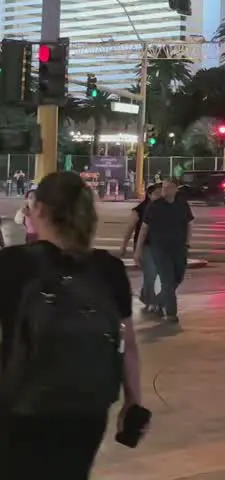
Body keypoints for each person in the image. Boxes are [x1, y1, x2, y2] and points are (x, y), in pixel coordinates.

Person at [0, 172, 143, 478]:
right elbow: (127, 343)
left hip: (21, 407)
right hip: (88, 408)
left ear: (38, 209)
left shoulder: (12, 263)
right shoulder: (108, 268)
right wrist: (134, 403)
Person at [135, 178, 194, 323]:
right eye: (163, 188)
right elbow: (144, 228)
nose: (165, 191)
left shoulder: (182, 205)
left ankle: (159, 301)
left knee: (177, 277)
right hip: (160, 249)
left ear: (175, 189)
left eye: (168, 188)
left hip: (179, 248)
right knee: (167, 280)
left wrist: (187, 243)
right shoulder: (154, 206)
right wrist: (138, 250)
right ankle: (171, 313)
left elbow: (189, 224)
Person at [122, 184, 163, 313]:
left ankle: (146, 297)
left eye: (161, 193)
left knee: (158, 275)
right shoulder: (139, 210)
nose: (160, 196)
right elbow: (129, 229)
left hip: (161, 247)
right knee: (150, 275)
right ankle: (152, 302)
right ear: (149, 195)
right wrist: (124, 245)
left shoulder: (165, 208)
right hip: (145, 246)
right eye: (157, 193)